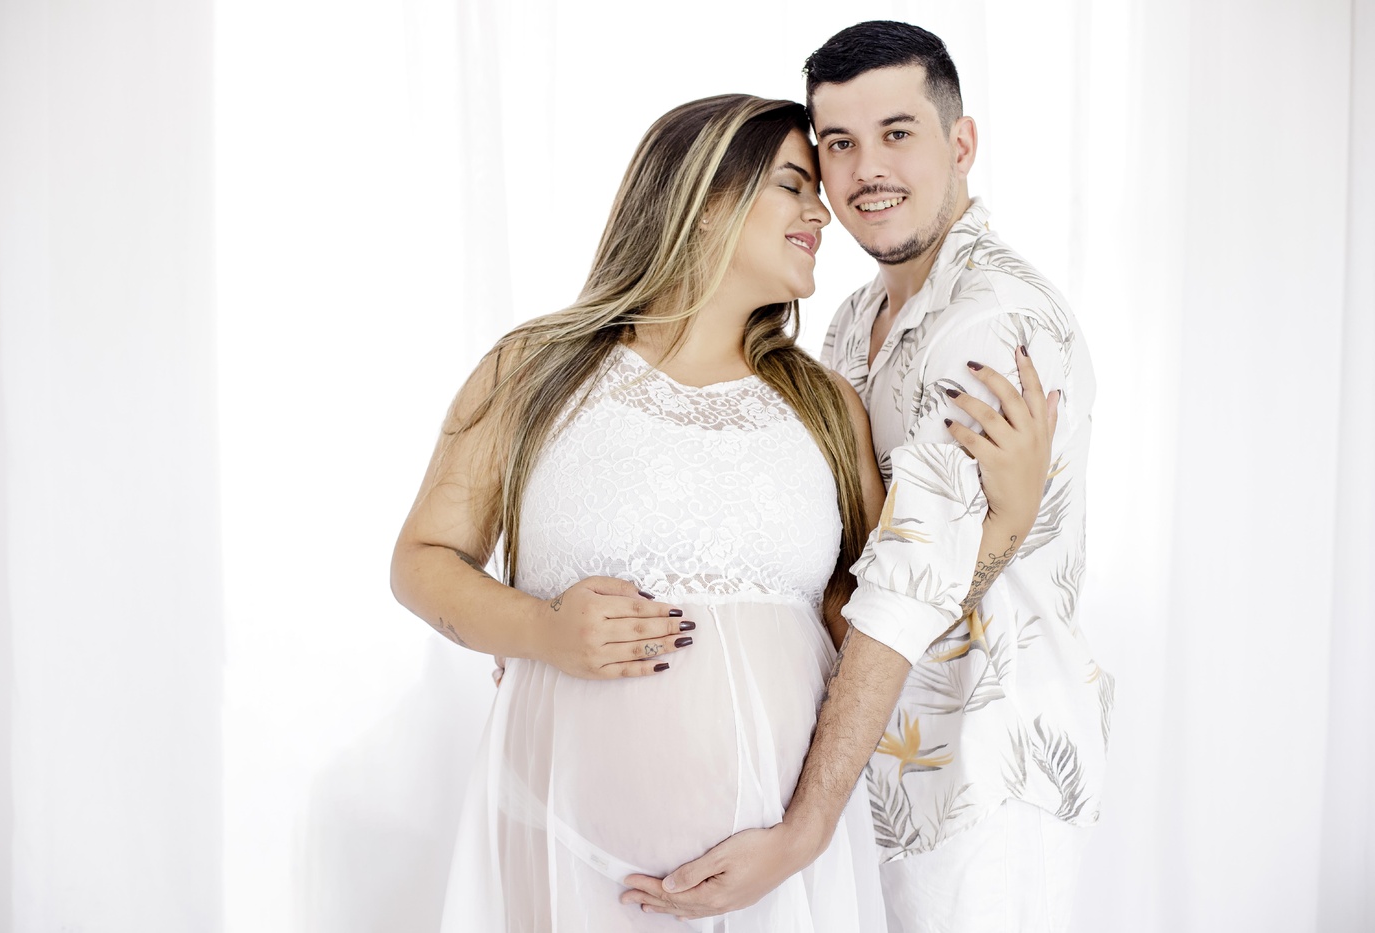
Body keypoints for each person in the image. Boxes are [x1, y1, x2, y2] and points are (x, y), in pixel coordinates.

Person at [392, 93, 1052, 931]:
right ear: (705, 200)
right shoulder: (533, 370)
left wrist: (1006, 524)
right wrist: (542, 629)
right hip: (560, 850)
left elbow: (880, 623)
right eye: (794, 184)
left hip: (774, 881)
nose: (822, 212)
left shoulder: (824, 405)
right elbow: (422, 559)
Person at [623, 22, 1112, 933]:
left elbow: (901, 590)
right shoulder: (851, 319)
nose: (865, 170)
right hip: (860, 774)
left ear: (961, 144)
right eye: (839, 143)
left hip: (976, 779)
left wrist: (802, 830)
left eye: (897, 133)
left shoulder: (995, 323)